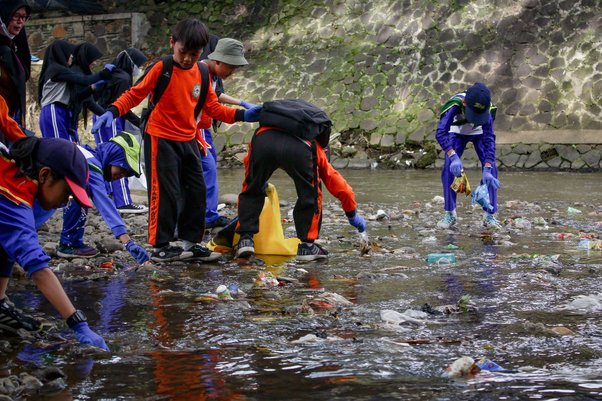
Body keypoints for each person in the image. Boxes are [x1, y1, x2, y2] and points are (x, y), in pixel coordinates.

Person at [92, 18, 263, 262]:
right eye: (183, 52)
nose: (187, 59)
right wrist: (112, 111)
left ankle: (190, 243)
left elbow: (213, 107)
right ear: (172, 43)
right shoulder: (162, 68)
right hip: (160, 138)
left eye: (194, 54)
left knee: (196, 190)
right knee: (165, 192)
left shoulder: (203, 73)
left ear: (202, 52)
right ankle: (160, 245)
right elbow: (135, 94)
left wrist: (244, 114)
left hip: (188, 139)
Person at [0, 135, 108, 350]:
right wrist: (78, 323)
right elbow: (37, 267)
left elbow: (9, 244)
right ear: (45, 174)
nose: (66, 201)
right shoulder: (13, 197)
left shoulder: (18, 176)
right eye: (67, 192)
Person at [235, 121, 367, 262]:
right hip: (299, 149)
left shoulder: (269, 128)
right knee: (311, 194)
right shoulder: (315, 147)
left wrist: (259, 178)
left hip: (263, 139)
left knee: (251, 188)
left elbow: (249, 169)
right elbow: (341, 188)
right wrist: (352, 214)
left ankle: (245, 239)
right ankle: (307, 246)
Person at [42, 132, 149, 263]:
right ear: (112, 156)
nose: (122, 175)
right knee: (79, 195)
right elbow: (104, 203)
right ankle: (69, 243)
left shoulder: (84, 153)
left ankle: (69, 241)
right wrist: (128, 242)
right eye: (123, 167)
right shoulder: (92, 167)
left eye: (127, 174)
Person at [198, 38, 257, 230]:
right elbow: (213, 106)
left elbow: (215, 97)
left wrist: (241, 103)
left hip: (203, 129)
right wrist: (242, 113)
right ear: (218, 61)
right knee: (205, 169)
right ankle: (203, 216)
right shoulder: (198, 72)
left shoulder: (213, 75)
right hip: (192, 130)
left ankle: (208, 214)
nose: (233, 73)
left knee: (209, 168)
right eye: (231, 68)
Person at [435, 82, 501, 230]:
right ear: (465, 104)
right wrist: (452, 155)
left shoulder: (488, 111)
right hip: (457, 134)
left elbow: (490, 140)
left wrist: (488, 167)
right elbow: (440, 133)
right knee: (448, 168)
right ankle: (450, 212)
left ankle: (489, 214)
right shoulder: (454, 106)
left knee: (492, 171)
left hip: (480, 135)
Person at [93, 48, 148, 214]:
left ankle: (107, 195)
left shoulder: (113, 74)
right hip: (110, 119)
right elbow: (121, 107)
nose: (139, 69)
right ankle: (123, 201)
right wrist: (140, 123)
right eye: (139, 65)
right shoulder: (123, 78)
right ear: (132, 63)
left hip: (99, 117)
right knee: (119, 158)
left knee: (104, 157)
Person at [38, 39, 113, 142]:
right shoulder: (57, 70)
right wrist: (102, 74)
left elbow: (77, 97)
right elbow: (83, 80)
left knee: (67, 149)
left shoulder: (60, 70)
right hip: (53, 110)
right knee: (60, 148)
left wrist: (92, 87)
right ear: (62, 54)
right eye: (69, 54)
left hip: (61, 111)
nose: (72, 56)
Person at [0, 0, 31, 140]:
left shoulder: (11, 50)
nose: (20, 22)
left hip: (9, 119)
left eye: (24, 17)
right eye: (16, 16)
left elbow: (24, 74)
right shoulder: (4, 52)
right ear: (5, 15)